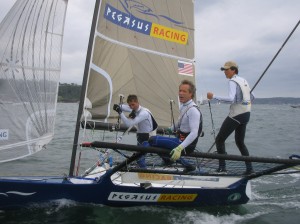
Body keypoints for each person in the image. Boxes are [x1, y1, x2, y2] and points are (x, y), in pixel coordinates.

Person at [207, 61, 254, 175]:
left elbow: (231, 99)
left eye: (226, 70)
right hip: (246, 114)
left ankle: (222, 168)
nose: (224, 72)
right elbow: (252, 97)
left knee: (219, 140)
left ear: (233, 70)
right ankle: (250, 169)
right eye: (224, 70)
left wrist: (214, 97)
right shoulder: (244, 80)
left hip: (236, 114)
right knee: (239, 142)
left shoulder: (232, 81)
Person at [148, 80, 203, 172]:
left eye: (184, 91)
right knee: (157, 143)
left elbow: (194, 133)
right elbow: (180, 122)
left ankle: (183, 164)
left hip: (185, 145)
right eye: (180, 90)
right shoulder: (183, 106)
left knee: (152, 140)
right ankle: (171, 161)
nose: (180, 93)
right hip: (180, 140)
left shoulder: (193, 110)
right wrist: (171, 129)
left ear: (191, 94)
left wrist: (179, 148)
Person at [113, 94, 157, 168]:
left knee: (139, 158)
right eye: (130, 105)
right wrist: (118, 106)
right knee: (138, 157)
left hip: (148, 137)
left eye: (133, 104)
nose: (131, 107)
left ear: (137, 102)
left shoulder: (144, 113)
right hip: (140, 136)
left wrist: (120, 112)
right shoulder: (134, 108)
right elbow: (122, 106)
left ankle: (145, 172)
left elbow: (128, 124)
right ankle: (142, 169)